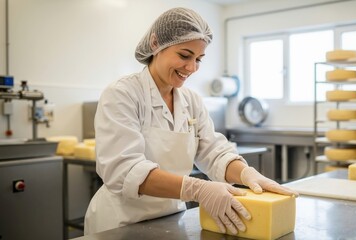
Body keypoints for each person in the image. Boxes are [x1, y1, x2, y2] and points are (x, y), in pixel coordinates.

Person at [84, 7, 298, 235]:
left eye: (198, 59)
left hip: (170, 219)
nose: (192, 68)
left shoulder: (191, 100)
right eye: (185, 55)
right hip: (121, 224)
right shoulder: (123, 94)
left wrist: (247, 174)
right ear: (156, 44)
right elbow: (125, 170)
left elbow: (214, 152)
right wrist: (197, 188)